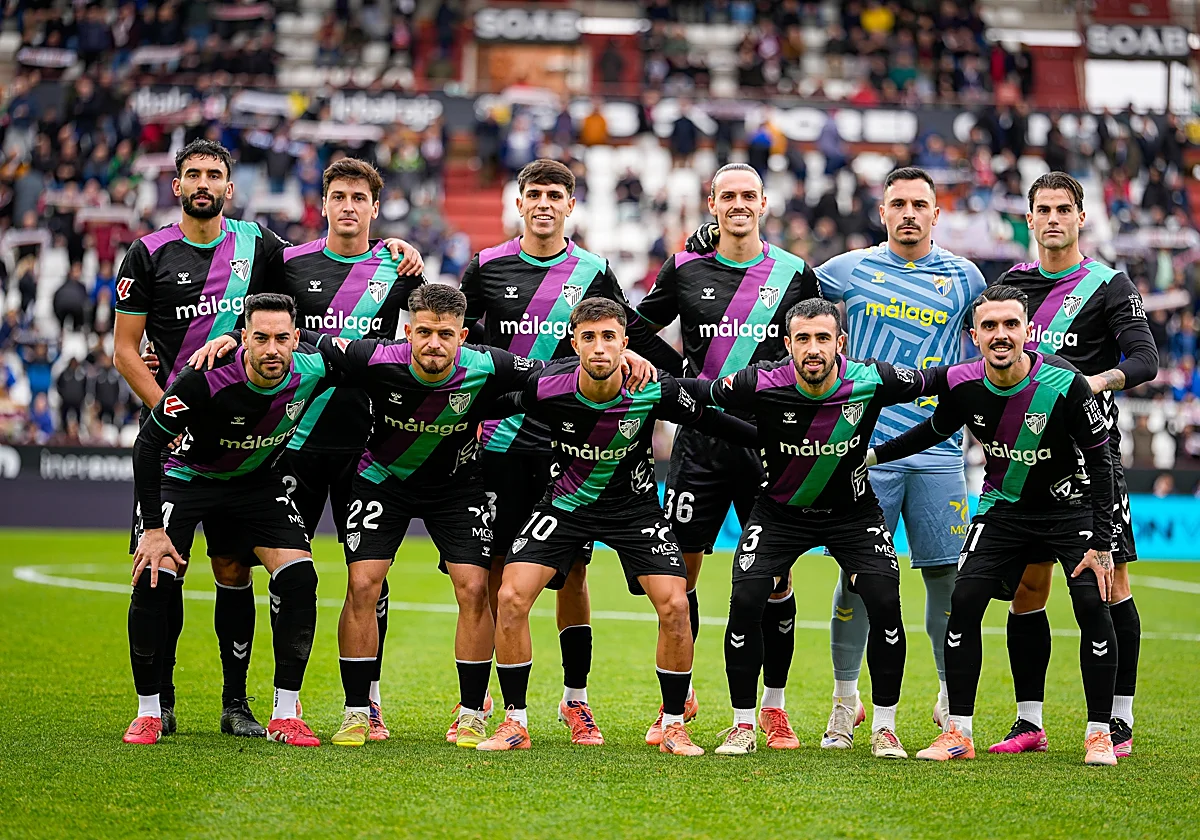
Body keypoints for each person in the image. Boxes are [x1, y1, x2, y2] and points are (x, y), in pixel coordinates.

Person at [114, 139, 422, 739]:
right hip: (185, 435)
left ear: (230, 187)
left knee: (238, 568)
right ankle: (158, 706)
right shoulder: (147, 254)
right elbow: (126, 351)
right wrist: (173, 415)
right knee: (159, 570)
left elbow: (323, 277)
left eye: (214, 175)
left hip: (278, 445)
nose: (203, 183)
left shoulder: (261, 246)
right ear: (175, 185)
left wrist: (395, 250)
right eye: (193, 174)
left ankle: (243, 706)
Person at [458, 158, 684, 745]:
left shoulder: (593, 269)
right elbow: (459, 342)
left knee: (575, 573)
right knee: (490, 578)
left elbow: (633, 335)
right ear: (519, 202)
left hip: (568, 452)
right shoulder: (484, 267)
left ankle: (574, 700)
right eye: (534, 194)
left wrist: (649, 362)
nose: (544, 204)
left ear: (570, 205)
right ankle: (483, 703)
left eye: (555, 195)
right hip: (499, 441)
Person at [475, 298, 755, 756]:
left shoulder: (653, 388)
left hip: (634, 511)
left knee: (675, 604)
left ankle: (672, 725)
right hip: (565, 505)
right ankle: (515, 723)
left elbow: (710, 416)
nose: (600, 348)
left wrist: (770, 443)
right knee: (510, 596)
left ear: (626, 343)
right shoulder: (547, 386)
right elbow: (488, 402)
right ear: (574, 343)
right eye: (589, 337)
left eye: (609, 337)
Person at [868, 285, 1119, 767]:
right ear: (973, 335)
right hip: (1004, 508)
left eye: (1010, 325)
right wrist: (873, 454)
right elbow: (933, 432)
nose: (1000, 335)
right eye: (989, 326)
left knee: (1090, 600)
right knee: (963, 601)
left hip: (1072, 510)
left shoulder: (1065, 383)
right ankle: (958, 732)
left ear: (1028, 331)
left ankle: (1099, 732)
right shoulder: (962, 383)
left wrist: (1103, 544)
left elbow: (1101, 460)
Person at [689, 298, 931, 759]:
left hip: (854, 515)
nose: (813, 348)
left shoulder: (871, 378)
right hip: (779, 514)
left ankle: (884, 726)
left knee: (883, 600)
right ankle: (744, 724)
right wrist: (634, 371)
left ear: (840, 342)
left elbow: (944, 385)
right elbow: (700, 399)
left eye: (823, 338)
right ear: (788, 344)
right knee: (745, 599)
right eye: (803, 339)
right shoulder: (762, 381)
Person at [641, 162, 822, 747]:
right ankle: (682, 693)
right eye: (728, 196)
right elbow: (639, 329)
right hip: (699, 447)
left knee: (775, 576)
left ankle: (773, 709)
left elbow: (815, 343)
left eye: (749, 195)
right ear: (711, 203)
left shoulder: (796, 273)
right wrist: (683, 376)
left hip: (771, 446)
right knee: (681, 574)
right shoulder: (685, 267)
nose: (739, 204)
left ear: (764, 203)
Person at [811, 167, 986, 747]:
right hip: (864, 453)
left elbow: (994, 346)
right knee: (857, 579)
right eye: (897, 204)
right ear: (881, 212)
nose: (908, 213)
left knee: (944, 580)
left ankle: (944, 697)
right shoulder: (845, 271)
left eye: (919, 204)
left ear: (938, 213)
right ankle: (845, 701)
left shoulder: (965, 277)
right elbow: (784, 296)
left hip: (939, 454)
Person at [988, 172, 1158, 757]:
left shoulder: (1111, 285)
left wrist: (1093, 382)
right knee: (1029, 588)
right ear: (1028, 219)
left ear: (1081, 216)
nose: (1054, 218)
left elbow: (1144, 359)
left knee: (1110, 583)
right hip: (1024, 462)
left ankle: (1120, 718)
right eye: (1043, 210)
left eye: (1064, 208)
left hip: (1091, 460)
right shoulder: (1009, 285)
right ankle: (1028, 721)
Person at [125, 293, 337, 746]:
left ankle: (277, 712)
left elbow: (367, 358)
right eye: (260, 338)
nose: (272, 349)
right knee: (153, 577)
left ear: (297, 339)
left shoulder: (315, 364)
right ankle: (151, 709)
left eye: (282, 338)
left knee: (299, 577)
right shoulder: (202, 378)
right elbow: (146, 446)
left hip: (255, 482)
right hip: (184, 476)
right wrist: (154, 531)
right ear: (244, 339)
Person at [269, 157, 424, 742]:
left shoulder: (397, 267)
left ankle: (370, 702)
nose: (349, 206)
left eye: (360, 197)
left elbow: (430, 335)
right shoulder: (289, 263)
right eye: (339, 196)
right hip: (296, 441)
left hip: (368, 446)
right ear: (324, 202)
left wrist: (409, 251)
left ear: (375, 207)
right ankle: (288, 704)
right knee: (291, 576)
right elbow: (254, 328)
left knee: (370, 580)